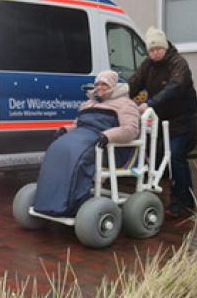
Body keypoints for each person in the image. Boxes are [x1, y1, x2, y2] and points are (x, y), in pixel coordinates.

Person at [32, 70, 139, 217]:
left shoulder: (125, 104)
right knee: (55, 149)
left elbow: (131, 130)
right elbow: (78, 125)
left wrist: (108, 136)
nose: (100, 87)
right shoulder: (89, 103)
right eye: (97, 84)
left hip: (108, 148)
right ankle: (47, 201)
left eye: (104, 84)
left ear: (114, 86)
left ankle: (72, 204)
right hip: (84, 139)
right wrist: (65, 130)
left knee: (79, 156)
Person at [128, 27, 197, 218]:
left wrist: (150, 104)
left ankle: (184, 202)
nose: (155, 53)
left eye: (158, 49)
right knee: (158, 158)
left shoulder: (178, 63)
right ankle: (171, 196)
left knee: (176, 156)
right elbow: (133, 84)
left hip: (183, 120)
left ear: (165, 47)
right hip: (162, 121)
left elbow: (174, 87)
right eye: (151, 50)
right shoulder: (148, 65)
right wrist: (118, 97)